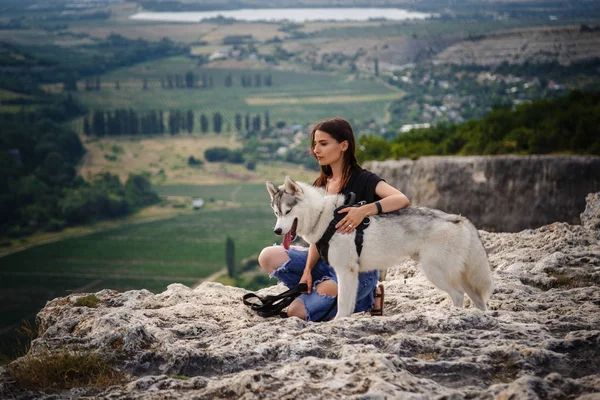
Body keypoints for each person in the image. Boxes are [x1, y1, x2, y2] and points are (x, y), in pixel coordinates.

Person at [258, 117, 410, 321]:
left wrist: (364, 210)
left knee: (296, 313)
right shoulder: (320, 185)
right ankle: (321, 287)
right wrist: (307, 271)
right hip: (325, 260)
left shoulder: (364, 179)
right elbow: (317, 237)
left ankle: (367, 299)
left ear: (343, 145)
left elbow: (401, 199)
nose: (316, 150)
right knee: (268, 256)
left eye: (323, 144)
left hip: (357, 268)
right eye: (314, 144)